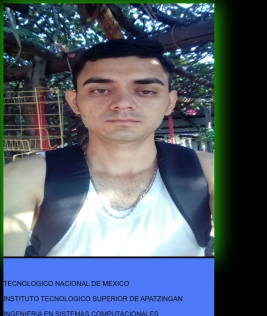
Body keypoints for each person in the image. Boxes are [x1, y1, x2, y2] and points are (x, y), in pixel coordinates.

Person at [3, 38, 214, 256]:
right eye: (100, 90)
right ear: (74, 102)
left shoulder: (207, 172)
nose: (122, 102)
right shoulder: (27, 176)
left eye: (146, 91)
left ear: (170, 102)